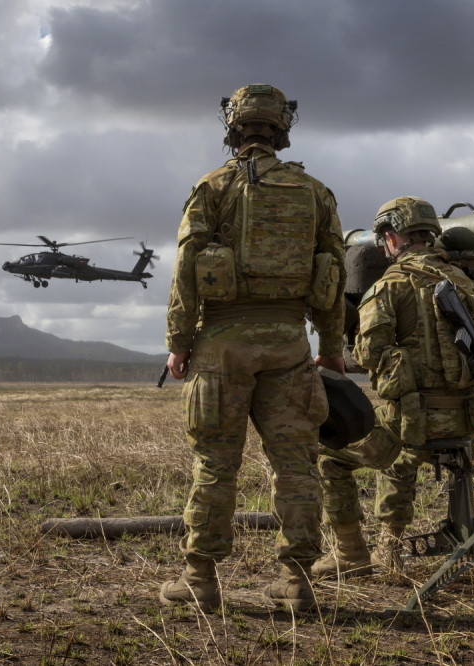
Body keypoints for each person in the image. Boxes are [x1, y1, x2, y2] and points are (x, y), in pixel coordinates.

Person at [161, 83, 346, 611]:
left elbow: (184, 273)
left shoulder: (212, 187)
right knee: (297, 465)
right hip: (290, 344)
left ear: (233, 126)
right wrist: (330, 347)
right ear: (281, 127)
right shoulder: (315, 192)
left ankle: (199, 580)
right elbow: (332, 274)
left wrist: (177, 343)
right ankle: (298, 582)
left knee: (216, 465)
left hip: (221, 346)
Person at [312, 196, 474, 579]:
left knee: (331, 457)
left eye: (384, 238)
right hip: (463, 421)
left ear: (393, 237)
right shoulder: (469, 286)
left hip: (412, 422)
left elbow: (368, 352)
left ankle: (353, 553)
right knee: (400, 454)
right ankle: (390, 546)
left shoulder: (389, 286)